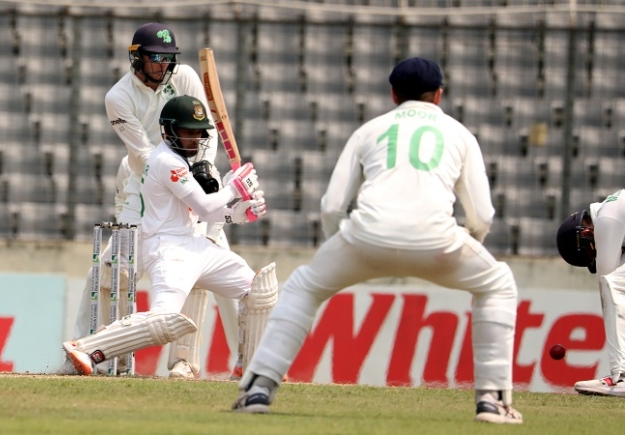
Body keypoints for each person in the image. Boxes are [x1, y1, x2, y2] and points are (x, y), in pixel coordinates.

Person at [231, 57, 523, 425]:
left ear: (393, 94)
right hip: (438, 242)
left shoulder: (369, 130)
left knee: (303, 287)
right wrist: (470, 242)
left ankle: (258, 388)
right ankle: (493, 401)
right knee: (498, 284)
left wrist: (342, 249)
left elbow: (332, 205)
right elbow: (482, 215)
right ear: (439, 95)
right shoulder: (460, 134)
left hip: (364, 238)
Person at [61, 23, 241, 378]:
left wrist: (204, 166)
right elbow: (144, 155)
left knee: (223, 270)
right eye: (155, 58)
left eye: (167, 58)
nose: (162, 65)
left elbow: (206, 131)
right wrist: (187, 176)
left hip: (194, 182)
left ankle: (246, 361)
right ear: (136, 58)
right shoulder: (119, 96)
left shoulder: (186, 76)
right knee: (108, 271)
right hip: (143, 191)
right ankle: (82, 351)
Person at [62, 95, 276, 377]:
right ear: (169, 130)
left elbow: (200, 213)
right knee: (163, 320)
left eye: (198, 133)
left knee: (257, 289)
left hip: (194, 244)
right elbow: (203, 205)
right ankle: (87, 348)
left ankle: (253, 367)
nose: (194, 139)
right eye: (187, 132)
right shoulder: (166, 161)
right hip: (168, 251)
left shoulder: (180, 161)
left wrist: (236, 213)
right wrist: (235, 188)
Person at [556, 189, 625, 397]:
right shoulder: (614, 208)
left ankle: (620, 377)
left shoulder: (606, 218)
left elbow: (607, 283)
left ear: (585, 235)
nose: (596, 252)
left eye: (591, 251)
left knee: (611, 286)